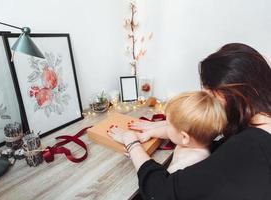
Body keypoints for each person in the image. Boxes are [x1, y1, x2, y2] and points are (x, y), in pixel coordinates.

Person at [108, 43, 271, 200]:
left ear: (235, 94)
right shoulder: (259, 126)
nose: (206, 99)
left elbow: (160, 192)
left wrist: (132, 144)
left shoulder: (250, 148)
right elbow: (210, 139)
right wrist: (164, 126)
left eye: (210, 95)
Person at [109, 91, 227, 173]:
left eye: (169, 124)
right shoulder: (197, 141)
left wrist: (134, 150)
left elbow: (159, 183)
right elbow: (171, 133)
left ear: (184, 137)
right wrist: (150, 133)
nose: (165, 125)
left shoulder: (187, 164)